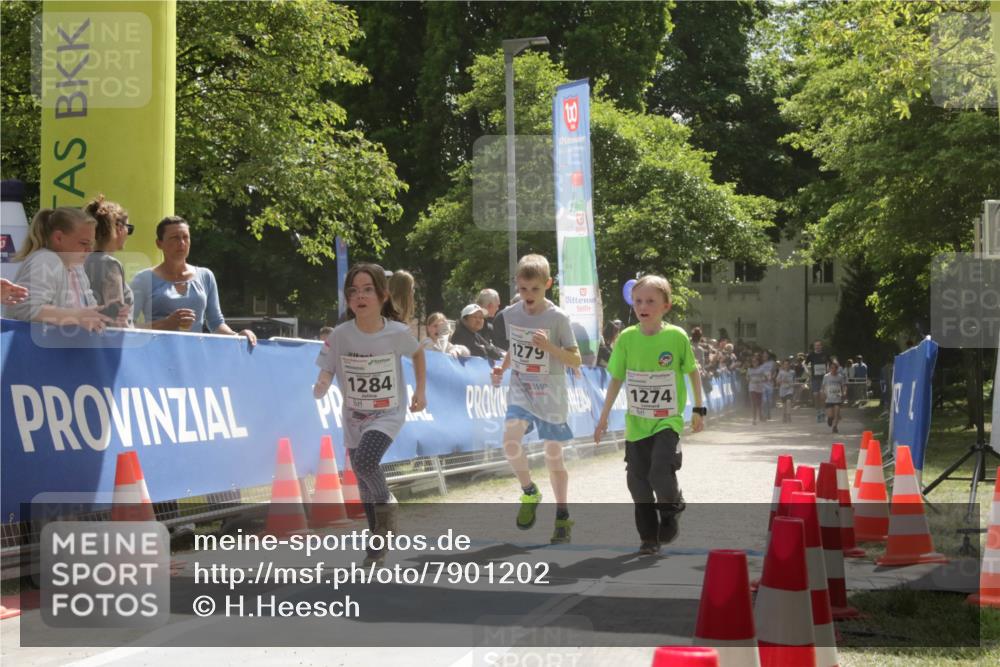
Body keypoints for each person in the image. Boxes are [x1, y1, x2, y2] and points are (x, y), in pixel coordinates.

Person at [312, 263, 427, 566]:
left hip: (388, 413)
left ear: (383, 296)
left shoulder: (397, 333)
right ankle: (377, 540)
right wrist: (323, 383)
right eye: (353, 291)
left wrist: (420, 391)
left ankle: (387, 508)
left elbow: (417, 353)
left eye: (367, 290)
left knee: (365, 461)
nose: (360, 297)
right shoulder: (340, 335)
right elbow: (328, 365)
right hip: (354, 415)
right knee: (362, 479)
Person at [593, 274, 704, 556]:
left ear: (665, 306)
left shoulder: (676, 337)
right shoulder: (627, 339)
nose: (643, 306)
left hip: (667, 421)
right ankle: (648, 538)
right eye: (638, 301)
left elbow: (692, 371)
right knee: (638, 483)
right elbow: (616, 379)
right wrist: (603, 417)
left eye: (651, 301)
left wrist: (699, 409)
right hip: (637, 424)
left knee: (659, 473)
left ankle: (671, 507)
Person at [490, 254, 581, 544]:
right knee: (510, 439)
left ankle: (563, 515)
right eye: (523, 289)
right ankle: (530, 491)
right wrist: (502, 367)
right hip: (522, 389)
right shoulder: (510, 314)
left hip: (551, 393)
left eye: (535, 290)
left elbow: (576, 359)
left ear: (548, 285)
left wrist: (548, 347)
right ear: (517, 284)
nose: (528, 296)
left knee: (554, 458)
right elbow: (517, 347)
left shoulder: (558, 318)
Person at [131, 216, 256, 345]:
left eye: (185, 237)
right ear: (159, 243)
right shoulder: (143, 279)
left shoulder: (205, 276)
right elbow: (126, 327)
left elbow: (216, 323)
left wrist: (238, 336)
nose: (182, 243)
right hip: (157, 357)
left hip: (194, 357)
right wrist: (166, 324)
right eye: (175, 238)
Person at [4, 207, 111, 332]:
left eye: (91, 244)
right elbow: (25, 309)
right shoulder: (45, 260)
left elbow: (89, 311)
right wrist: (76, 316)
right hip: (32, 350)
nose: (90, 250)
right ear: (58, 238)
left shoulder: (77, 267)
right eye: (83, 243)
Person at [83, 195, 133, 327]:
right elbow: (116, 316)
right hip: (109, 343)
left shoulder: (78, 262)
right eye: (130, 228)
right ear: (119, 228)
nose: (128, 233)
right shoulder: (110, 264)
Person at [806, 340, 831, 423]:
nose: (817, 347)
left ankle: (823, 412)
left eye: (819, 345)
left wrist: (828, 370)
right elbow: (805, 364)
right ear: (814, 347)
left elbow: (830, 363)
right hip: (814, 378)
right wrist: (808, 372)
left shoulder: (825, 355)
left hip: (823, 378)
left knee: (822, 395)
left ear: (821, 346)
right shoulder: (811, 355)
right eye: (816, 345)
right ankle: (818, 412)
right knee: (815, 394)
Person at [822, 360, 847, 433]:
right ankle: (830, 419)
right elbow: (823, 387)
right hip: (829, 399)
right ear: (829, 369)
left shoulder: (840, 377)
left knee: (837, 413)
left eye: (835, 368)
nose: (833, 370)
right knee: (830, 415)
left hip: (837, 398)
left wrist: (844, 392)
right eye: (832, 368)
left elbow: (843, 386)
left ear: (837, 369)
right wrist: (823, 393)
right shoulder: (826, 377)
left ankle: (835, 427)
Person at [747, 354, 766, 426]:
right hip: (752, 387)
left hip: (760, 388)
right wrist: (749, 379)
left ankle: (760, 415)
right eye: (753, 362)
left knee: (759, 403)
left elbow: (765, 377)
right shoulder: (749, 369)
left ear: (758, 362)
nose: (754, 363)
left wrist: (761, 379)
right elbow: (747, 377)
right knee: (754, 403)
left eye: (755, 361)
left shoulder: (761, 369)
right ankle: (754, 419)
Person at [776, 359, 796, 423]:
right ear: (783, 365)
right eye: (785, 364)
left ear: (789, 365)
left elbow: (794, 380)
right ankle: (784, 416)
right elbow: (777, 381)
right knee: (784, 404)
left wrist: (793, 384)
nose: (786, 366)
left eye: (787, 364)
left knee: (788, 401)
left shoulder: (792, 372)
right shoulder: (781, 372)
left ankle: (789, 415)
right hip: (783, 390)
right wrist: (782, 381)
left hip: (790, 389)